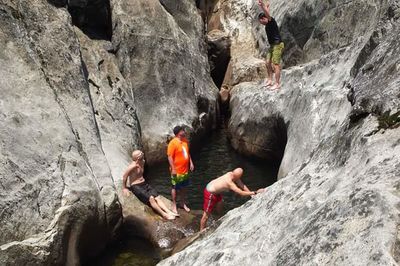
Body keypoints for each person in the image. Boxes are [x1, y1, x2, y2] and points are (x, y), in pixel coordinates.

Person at [200, 168, 265, 231]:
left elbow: (242, 185)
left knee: (220, 203)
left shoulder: (231, 174)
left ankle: (219, 217)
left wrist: (251, 195)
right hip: (210, 192)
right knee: (206, 215)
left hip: (215, 190)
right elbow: (241, 193)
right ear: (236, 176)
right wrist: (255, 192)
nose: (239, 179)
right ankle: (201, 231)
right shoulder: (229, 183)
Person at [122, 150, 178, 220]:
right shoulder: (133, 166)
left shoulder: (143, 162)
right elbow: (125, 176)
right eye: (140, 153)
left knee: (157, 197)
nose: (142, 153)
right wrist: (124, 188)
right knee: (151, 199)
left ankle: (168, 211)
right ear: (138, 158)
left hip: (144, 184)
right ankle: (164, 215)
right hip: (136, 186)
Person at [258, 0, 284, 90]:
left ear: (264, 19)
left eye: (261, 21)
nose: (261, 23)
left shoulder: (271, 21)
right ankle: (270, 79)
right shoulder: (267, 23)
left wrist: (262, 6)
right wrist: (267, 7)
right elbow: (267, 13)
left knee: (275, 64)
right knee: (267, 62)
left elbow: (267, 14)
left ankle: (277, 83)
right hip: (272, 45)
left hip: (278, 45)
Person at [167, 126, 194, 213]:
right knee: (174, 187)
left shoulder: (185, 140)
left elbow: (187, 152)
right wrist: (173, 169)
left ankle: (182, 203)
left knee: (184, 187)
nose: (184, 131)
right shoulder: (173, 143)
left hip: (185, 170)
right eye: (183, 130)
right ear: (178, 132)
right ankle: (174, 204)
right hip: (176, 171)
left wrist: (191, 162)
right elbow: (170, 157)